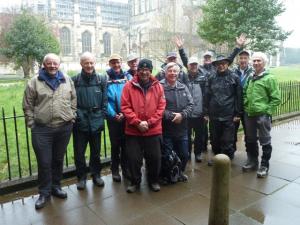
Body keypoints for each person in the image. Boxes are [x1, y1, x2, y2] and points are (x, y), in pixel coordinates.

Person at [23, 53, 76, 209]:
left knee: (58, 160)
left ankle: (56, 187)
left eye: (55, 63)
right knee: (45, 162)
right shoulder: (34, 82)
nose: (52, 66)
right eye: (49, 63)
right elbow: (28, 104)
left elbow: (73, 98)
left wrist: (72, 116)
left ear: (59, 64)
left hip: (64, 128)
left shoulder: (67, 79)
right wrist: (32, 123)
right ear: (44, 65)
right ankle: (44, 192)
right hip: (42, 130)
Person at [121, 59, 166, 193]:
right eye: (141, 69)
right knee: (134, 159)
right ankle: (135, 182)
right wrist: (137, 122)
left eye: (147, 70)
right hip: (134, 131)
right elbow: (125, 106)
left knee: (155, 158)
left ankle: (153, 181)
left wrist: (150, 122)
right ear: (138, 71)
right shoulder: (128, 86)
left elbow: (161, 107)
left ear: (150, 71)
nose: (144, 72)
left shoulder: (158, 86)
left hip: (153, 130)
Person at [72, 52, 107, 190]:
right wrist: (76, 115)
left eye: (91, 62)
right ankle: (81, 177)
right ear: (81, 64)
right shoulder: (74, 80)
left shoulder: (101, 79)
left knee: (96, 151)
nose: (89, 65)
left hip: (96, 119)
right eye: (86, 62)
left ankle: (96, 175)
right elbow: (70, 100)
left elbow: (105, 100)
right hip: (80, 120)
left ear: (95, 63)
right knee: (79, 152)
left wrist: (102, 115)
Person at [243, 52, 281, 178]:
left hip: (262, 115)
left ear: (264, 62)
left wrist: (267, 112)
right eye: (254, 61)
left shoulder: (269, 78)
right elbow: (244, 93)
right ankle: (253, 162)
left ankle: (264, 166)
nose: (256, 63)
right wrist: (245, 104)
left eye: (258, 60)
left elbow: (276, 98)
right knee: (250, 139)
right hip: (249, 114)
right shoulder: (250, 77)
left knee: (265, 140)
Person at [204, 55, 243, 160]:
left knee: (227, 140)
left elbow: (239, 96)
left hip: (229, 114)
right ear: (216, 65)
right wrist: (206, 113)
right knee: (215, 139)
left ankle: (227, 160)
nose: (221, 66)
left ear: (227, 64)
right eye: (219, 64)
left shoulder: (234, 77)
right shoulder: (211, 77)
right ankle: (217, 159)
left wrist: (238, 113)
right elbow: (207, 95)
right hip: (214, 114)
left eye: (223, 63)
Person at [160, 62, 194, 181]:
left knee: (184, 154)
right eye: (170, 71)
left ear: (179, 73)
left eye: (175, 71)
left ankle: (179, 172)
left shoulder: (183, 87)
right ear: (165, 72)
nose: (173, 73)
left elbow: (191, 105)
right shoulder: (159, 87)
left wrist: (182, 115)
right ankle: (166, 175)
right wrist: (172, 116)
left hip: (182, 128)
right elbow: (156, 107)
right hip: (166, 129)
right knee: (166, 155)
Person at [106, 54, 132, 182]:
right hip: (113, 119)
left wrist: (124, 113)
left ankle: (125, 168)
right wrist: (113, 114)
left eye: (118, 62)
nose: (116, 65)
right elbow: (104, 100)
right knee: (115, 145)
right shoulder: (105, 78)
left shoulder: (128, 77)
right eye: (113, 62)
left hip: (126, 117)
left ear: (121, 62)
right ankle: (115, 170)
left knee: (126, 145)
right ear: (109, 63)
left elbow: (132, 96)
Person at [183, 57, 206, 162]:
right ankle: (187, 153)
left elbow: (207, 95)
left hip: (199, 112)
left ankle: (198, 153)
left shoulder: (203, 78)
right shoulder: (183, 78)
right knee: (186, 135)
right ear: (188, 66)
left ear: (198, 65)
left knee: (199, 135)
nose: (193, 66)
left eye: (195, 64)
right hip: (187, 113)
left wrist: (206, 112)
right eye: (191, 64)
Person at [232, 50, 254, 151]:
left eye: (245, 58)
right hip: (234, 106)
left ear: (248, 59)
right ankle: (231, 151)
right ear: (238, 59)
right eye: (241, 58)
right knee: (232, 131)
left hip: (246, 106)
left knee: (249, 133)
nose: (243, 60)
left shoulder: (253, 72)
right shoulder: (232, 72)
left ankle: (250, 154)